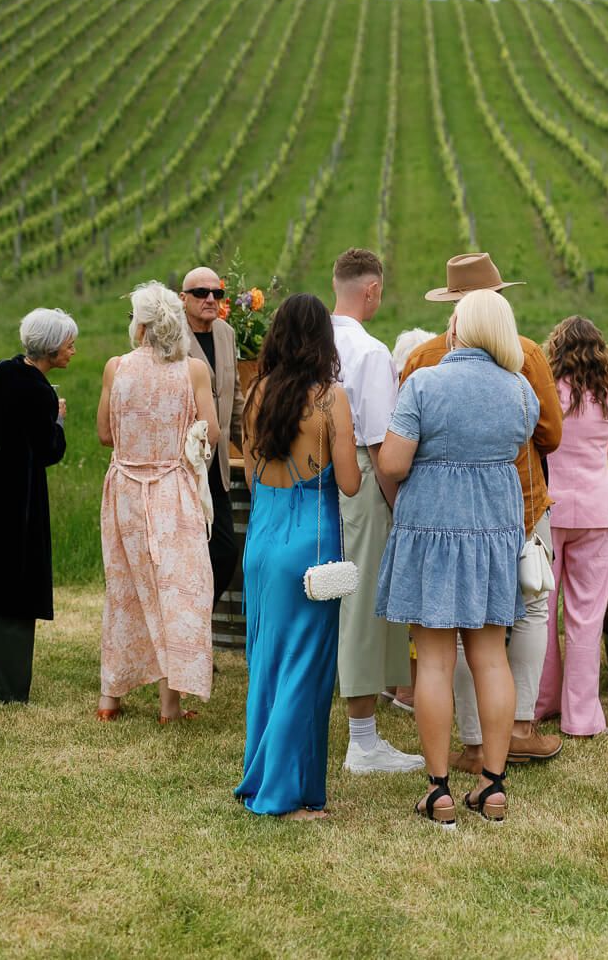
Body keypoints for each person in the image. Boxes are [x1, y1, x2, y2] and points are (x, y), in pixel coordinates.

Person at [378, 289, 537, 824]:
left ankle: (439, 788)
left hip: (432, 531)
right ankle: (493, 785)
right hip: (492, 534)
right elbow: (517, 448)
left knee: (435, 661)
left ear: (457, 329)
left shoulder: (424, 383)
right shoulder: (519, 390)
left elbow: (393, 463)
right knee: (491, 658)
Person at [401, 252, 564, 768]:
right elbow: (550, 435)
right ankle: (517, 728)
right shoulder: (525, 357)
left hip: (435, 516)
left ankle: (471, 742)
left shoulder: (422, 360)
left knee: (445, 631)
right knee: (528, 612)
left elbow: (399, 445)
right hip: (514, 505)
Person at [235, 294, 360, 818]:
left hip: (262, 540)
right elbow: (349, 483)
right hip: (310, 548)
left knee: (267, 663)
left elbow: (250, 475)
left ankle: (266, 777)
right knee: (305, 670)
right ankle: (281, 795)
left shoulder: (256, 392)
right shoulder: (330, 399)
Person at [96, 281, 219, 723]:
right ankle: (170, 705)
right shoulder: (193, 371)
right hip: (172, 489)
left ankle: (110, 698)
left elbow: (105, 434)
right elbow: (212, 432)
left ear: (141, 325)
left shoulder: (116, 367)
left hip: (125, 489)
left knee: (124, 586)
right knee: (178, 591)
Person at [0, 307, 77, 703]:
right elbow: (48, 451)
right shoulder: (41, 392)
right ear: (51, 348)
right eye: (69, 344)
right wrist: (58, 421)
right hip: (19, 502)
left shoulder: (0, 370)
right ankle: (2, 689)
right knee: (12, 590)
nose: (73, 351)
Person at [331, 248, 423, 775]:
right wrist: (398, 505)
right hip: (362, 481)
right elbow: (380, 446)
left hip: (308, 480)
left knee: (327, 596)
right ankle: (362, 742)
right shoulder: (369, 351)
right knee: (363, 601)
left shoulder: (309, 337)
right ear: (371, 291)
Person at [534, 317, 608, 737]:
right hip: (596, 508)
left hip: (549, 508)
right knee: (587, 615)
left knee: (540, 610)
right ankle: (582, 717)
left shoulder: (546, 392)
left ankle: (541, 701)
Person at [179, 266, 245, 607]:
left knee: (225, 552)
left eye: (216, 293)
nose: (210, 299)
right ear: (183, 298)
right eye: (200, 293)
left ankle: (197, 618)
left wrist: (250, 445)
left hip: (216, 468)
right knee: (188, 554)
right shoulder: (172, 336)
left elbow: (234, 396)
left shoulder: (225, 332)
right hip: (183, 467)